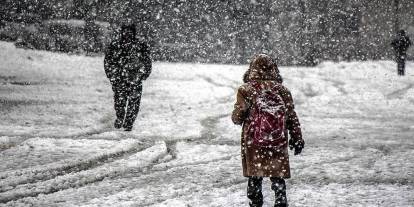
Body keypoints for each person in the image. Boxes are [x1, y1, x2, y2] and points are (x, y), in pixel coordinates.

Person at [232, 54, 304, 207]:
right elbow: (291, 116)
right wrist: (297, 137)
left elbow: (238, 117)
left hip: (254, 142)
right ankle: (280, 200)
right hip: (277, 140)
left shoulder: (246, 90)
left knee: (255, 177)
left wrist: (239, 115)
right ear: (274, 69)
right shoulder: (282, 91)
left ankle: (255, 202)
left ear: (252, 69)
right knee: (277, 176)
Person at [104, 24, 152, 131]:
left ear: (133, 33)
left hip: (135, 78)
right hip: (120, 78)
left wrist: (143, 74)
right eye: (125, 32)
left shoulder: (140, 45)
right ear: (122, 32)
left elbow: (147, 61)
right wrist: (111, 75)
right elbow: (108, 61)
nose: (127, 34)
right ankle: (120, 118)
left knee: (133, 102)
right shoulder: (115, 45)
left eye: (129, 32)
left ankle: (128, 123)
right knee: (120, 101)